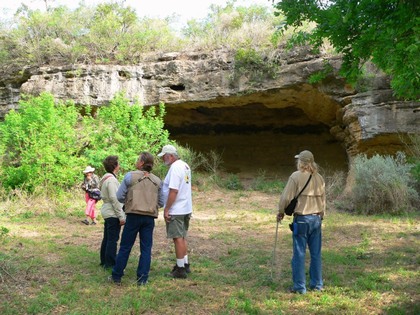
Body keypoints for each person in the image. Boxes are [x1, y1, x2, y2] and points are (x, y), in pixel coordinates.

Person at [110, 152, 164, 286]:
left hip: (133, 215)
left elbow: (119, 196)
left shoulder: (130, 176)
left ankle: (116, 276)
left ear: (141, 163)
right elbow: (162, 202)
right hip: (149, 218)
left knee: (125, 247)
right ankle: (142, 278)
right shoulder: (157, 181)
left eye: (138, 159)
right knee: (146, 248)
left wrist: (130, 200)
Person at [277, 150, 326, 294]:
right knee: (316, 253)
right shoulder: (320, 178)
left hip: (302, 220)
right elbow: (323, 201)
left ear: (301, 162)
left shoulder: (295, 177)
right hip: (316, 219)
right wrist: (321, 216)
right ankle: (317, 285)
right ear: (311, 162)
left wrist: (281, 212)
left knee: (299, 253)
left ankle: (299, 287)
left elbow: (286, 197)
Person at [158, 144, 192, 279]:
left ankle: (180, 269)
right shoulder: (185, 165)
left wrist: (167, 208)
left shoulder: (175, 168)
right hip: (186, 207)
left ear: (170, 156)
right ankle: (185, 263)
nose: (162, 160)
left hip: (176, 209)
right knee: (182, 236)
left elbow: (173, 190)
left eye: (163, 157)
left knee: (177, 238)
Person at [99, 155, 126, 269]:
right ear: (115, 166)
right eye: (118, 163)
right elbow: (114, 199)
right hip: (112, 212)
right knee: (112, 239)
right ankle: (109, 263)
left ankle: (104, 260)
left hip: (107, 211)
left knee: (107, 237)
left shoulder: (105, 178)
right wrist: (121, 216)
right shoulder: (111, 180)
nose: (119, 165)